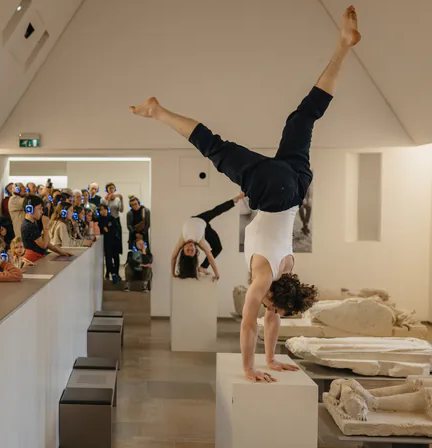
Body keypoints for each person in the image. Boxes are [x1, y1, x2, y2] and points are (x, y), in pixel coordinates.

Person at [130, 6, 360, 382]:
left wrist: (272, 360)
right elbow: (251, 324)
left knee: (303, 117)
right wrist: (251, 367)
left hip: (298, 183)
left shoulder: (287, 269)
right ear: (275, 296)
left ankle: (344, 47)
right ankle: (158, 113)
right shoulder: (264, 280)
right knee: (214, 147)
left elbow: (271, 319)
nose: (273, 311)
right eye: (276, 308)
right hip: (272, 190)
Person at [20, 195, 73, 263]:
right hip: (32, 259)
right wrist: (46, 227)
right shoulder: (28, 226)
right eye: (39, 209)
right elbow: (43, 245)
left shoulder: (33, 223)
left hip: (37, 257)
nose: (41, 212)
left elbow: (46, 242)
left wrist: (60, 252)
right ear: (29, 209)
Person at [98, 204, 122, 283]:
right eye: (101, 210)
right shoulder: (98, 219)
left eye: (104, 209)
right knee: (108, 259)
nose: (103, 211)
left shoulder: (112, 218)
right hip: (105, 242)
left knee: (116, 258)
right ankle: (112, 273)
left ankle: (116, 273)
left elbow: (116, 229)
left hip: (114, 241)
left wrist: (108, 230)